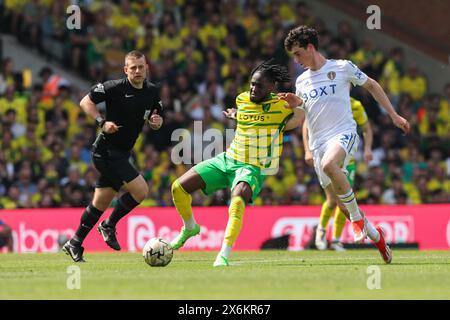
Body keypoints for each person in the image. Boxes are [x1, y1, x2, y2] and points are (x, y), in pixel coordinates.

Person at [281, 26, 410, 263]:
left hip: (343, 134)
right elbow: (301, 120)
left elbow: (372, 85)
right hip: (319, 144)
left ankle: (358, 222)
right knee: (340, 204)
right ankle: (376, 235)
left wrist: (393, 115)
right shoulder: (301, 82)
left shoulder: (342, 67)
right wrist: (282, 118)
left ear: (310, 47)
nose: (296, 60)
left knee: (332, 165)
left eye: (298, 54)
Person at [169, 60, 304, 267]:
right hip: (227, 160)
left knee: (238, 199)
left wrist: (299, 104)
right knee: (178, 187)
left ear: (271, 87)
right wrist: (235, 115)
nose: (253, 88)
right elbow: (247, 117)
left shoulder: (281, 106)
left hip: (250, 168)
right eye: (252, 84)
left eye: (259, 85)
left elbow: (299, 120)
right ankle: (189, 227)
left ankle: (223, 254)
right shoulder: (242, 99)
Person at [63, 50, 163, 262]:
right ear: (125, 69)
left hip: (123, 153)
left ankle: (75, 242)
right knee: (141, 190)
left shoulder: (152, 91)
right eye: (132, 67)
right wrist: (101, 122)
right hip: (105, 151)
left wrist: (156, 121)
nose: (137, 71)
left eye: (141, 67)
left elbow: (157, 115)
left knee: (100, 203)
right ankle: (108, 225)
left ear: (147, 68)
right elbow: (85, 102)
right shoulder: (114, 88)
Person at [304, 97, 373, 251]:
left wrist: (368, 148)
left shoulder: (356, 105)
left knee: (344, 200)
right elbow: (306, 124)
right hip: (327, 155)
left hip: (349, 160)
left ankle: (335, 240)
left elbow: (367, 128)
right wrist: (307, 150)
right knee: (331, 200)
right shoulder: (327, 99)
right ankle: (321, 231)